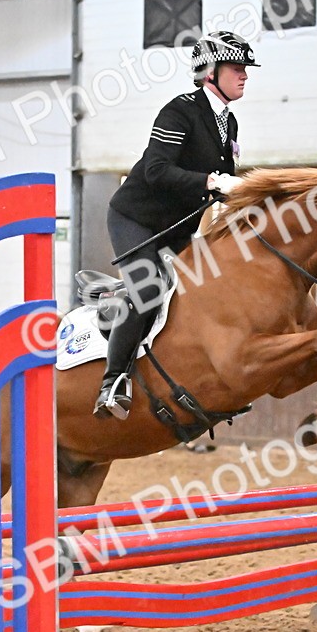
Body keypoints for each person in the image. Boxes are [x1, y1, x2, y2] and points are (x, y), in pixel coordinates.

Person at [94, 30, 260, 419]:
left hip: (177, 227)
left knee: (211, 288)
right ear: (209, 72)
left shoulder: (228, 124)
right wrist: (210, 180)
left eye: (245, 69)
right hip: (136, 219)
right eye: (237, 68)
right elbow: (156, 171)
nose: (245, 75)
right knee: (149, 288)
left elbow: (223, 185)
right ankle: (112, 382)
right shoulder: (179, 111)